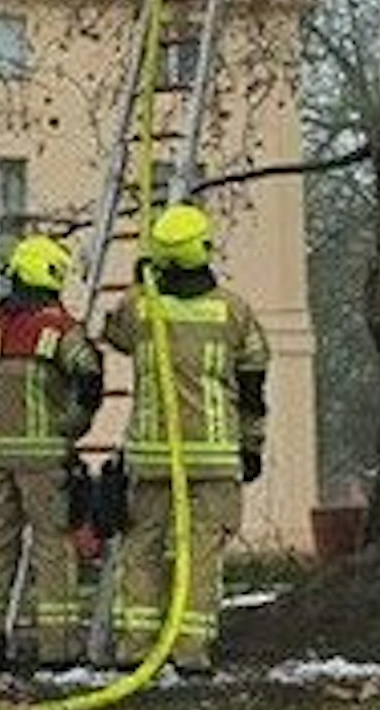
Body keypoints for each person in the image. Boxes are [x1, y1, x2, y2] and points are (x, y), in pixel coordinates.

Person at [101, 202, 269, 674]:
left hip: (152, 456)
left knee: (142, 550)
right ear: (203, 250)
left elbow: (112, 334)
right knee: (201, 555)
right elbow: (255, 384)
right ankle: (190, 652)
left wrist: (140, 282)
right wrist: (252, 445)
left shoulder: (142, 307)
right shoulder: (233, 311)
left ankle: (136, 647)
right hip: (216, 458)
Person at [0, 234, 103, 671]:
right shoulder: (58, 329)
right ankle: (58, 648)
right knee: (54, 549)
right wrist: (72, 425)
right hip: (46, 460)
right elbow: (90, 376)